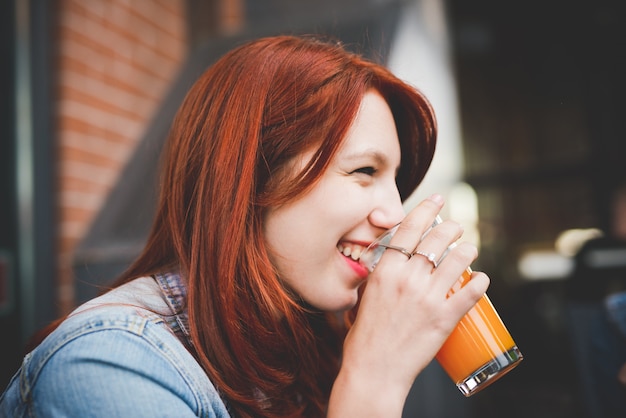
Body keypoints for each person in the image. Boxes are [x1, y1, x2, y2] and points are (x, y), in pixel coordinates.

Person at [0, 35, 489, 417]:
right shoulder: (113, 363)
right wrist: (374, 382)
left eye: (396, 182)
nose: (395, 215)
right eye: (364, 171)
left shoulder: (299, 345)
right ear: (249, 175)